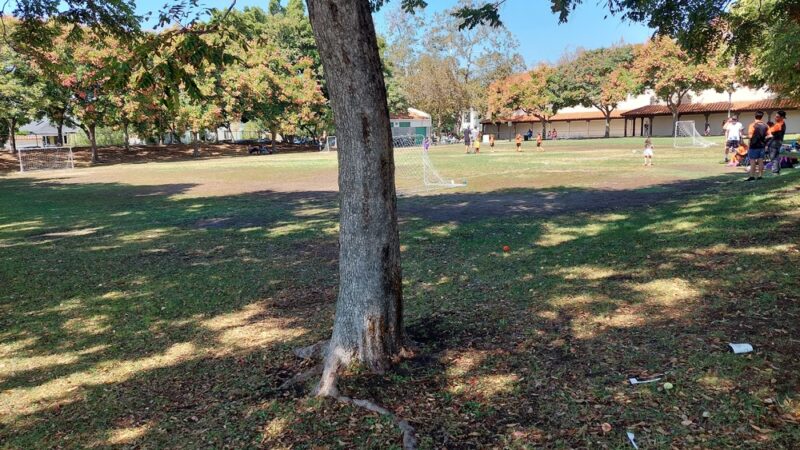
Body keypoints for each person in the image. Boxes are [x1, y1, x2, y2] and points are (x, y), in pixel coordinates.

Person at [745, 111, 769, 181]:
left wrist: (744, 137)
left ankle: (752, 176)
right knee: (760, 161)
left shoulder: (752, 125)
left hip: (754, 145)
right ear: (762, 117)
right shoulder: (766, 125)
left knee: (752, 161)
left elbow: (750, 136)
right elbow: (769, 135)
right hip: (762, 146)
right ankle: (760, 176)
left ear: (755, 116)